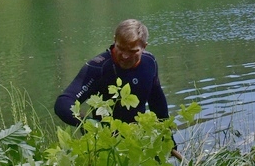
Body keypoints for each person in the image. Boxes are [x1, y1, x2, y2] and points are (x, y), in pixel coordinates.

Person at [55, 19, 180, 158]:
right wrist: (90, 124)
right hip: (105, 145)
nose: (125, 56)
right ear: (114, 40)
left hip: (140, 142)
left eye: (132, 51)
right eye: (120, 48)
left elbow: (158, 103)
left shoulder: (150, 63)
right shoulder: (99, 67)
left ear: (144, 46)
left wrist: (168, 138)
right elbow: (63, 103)